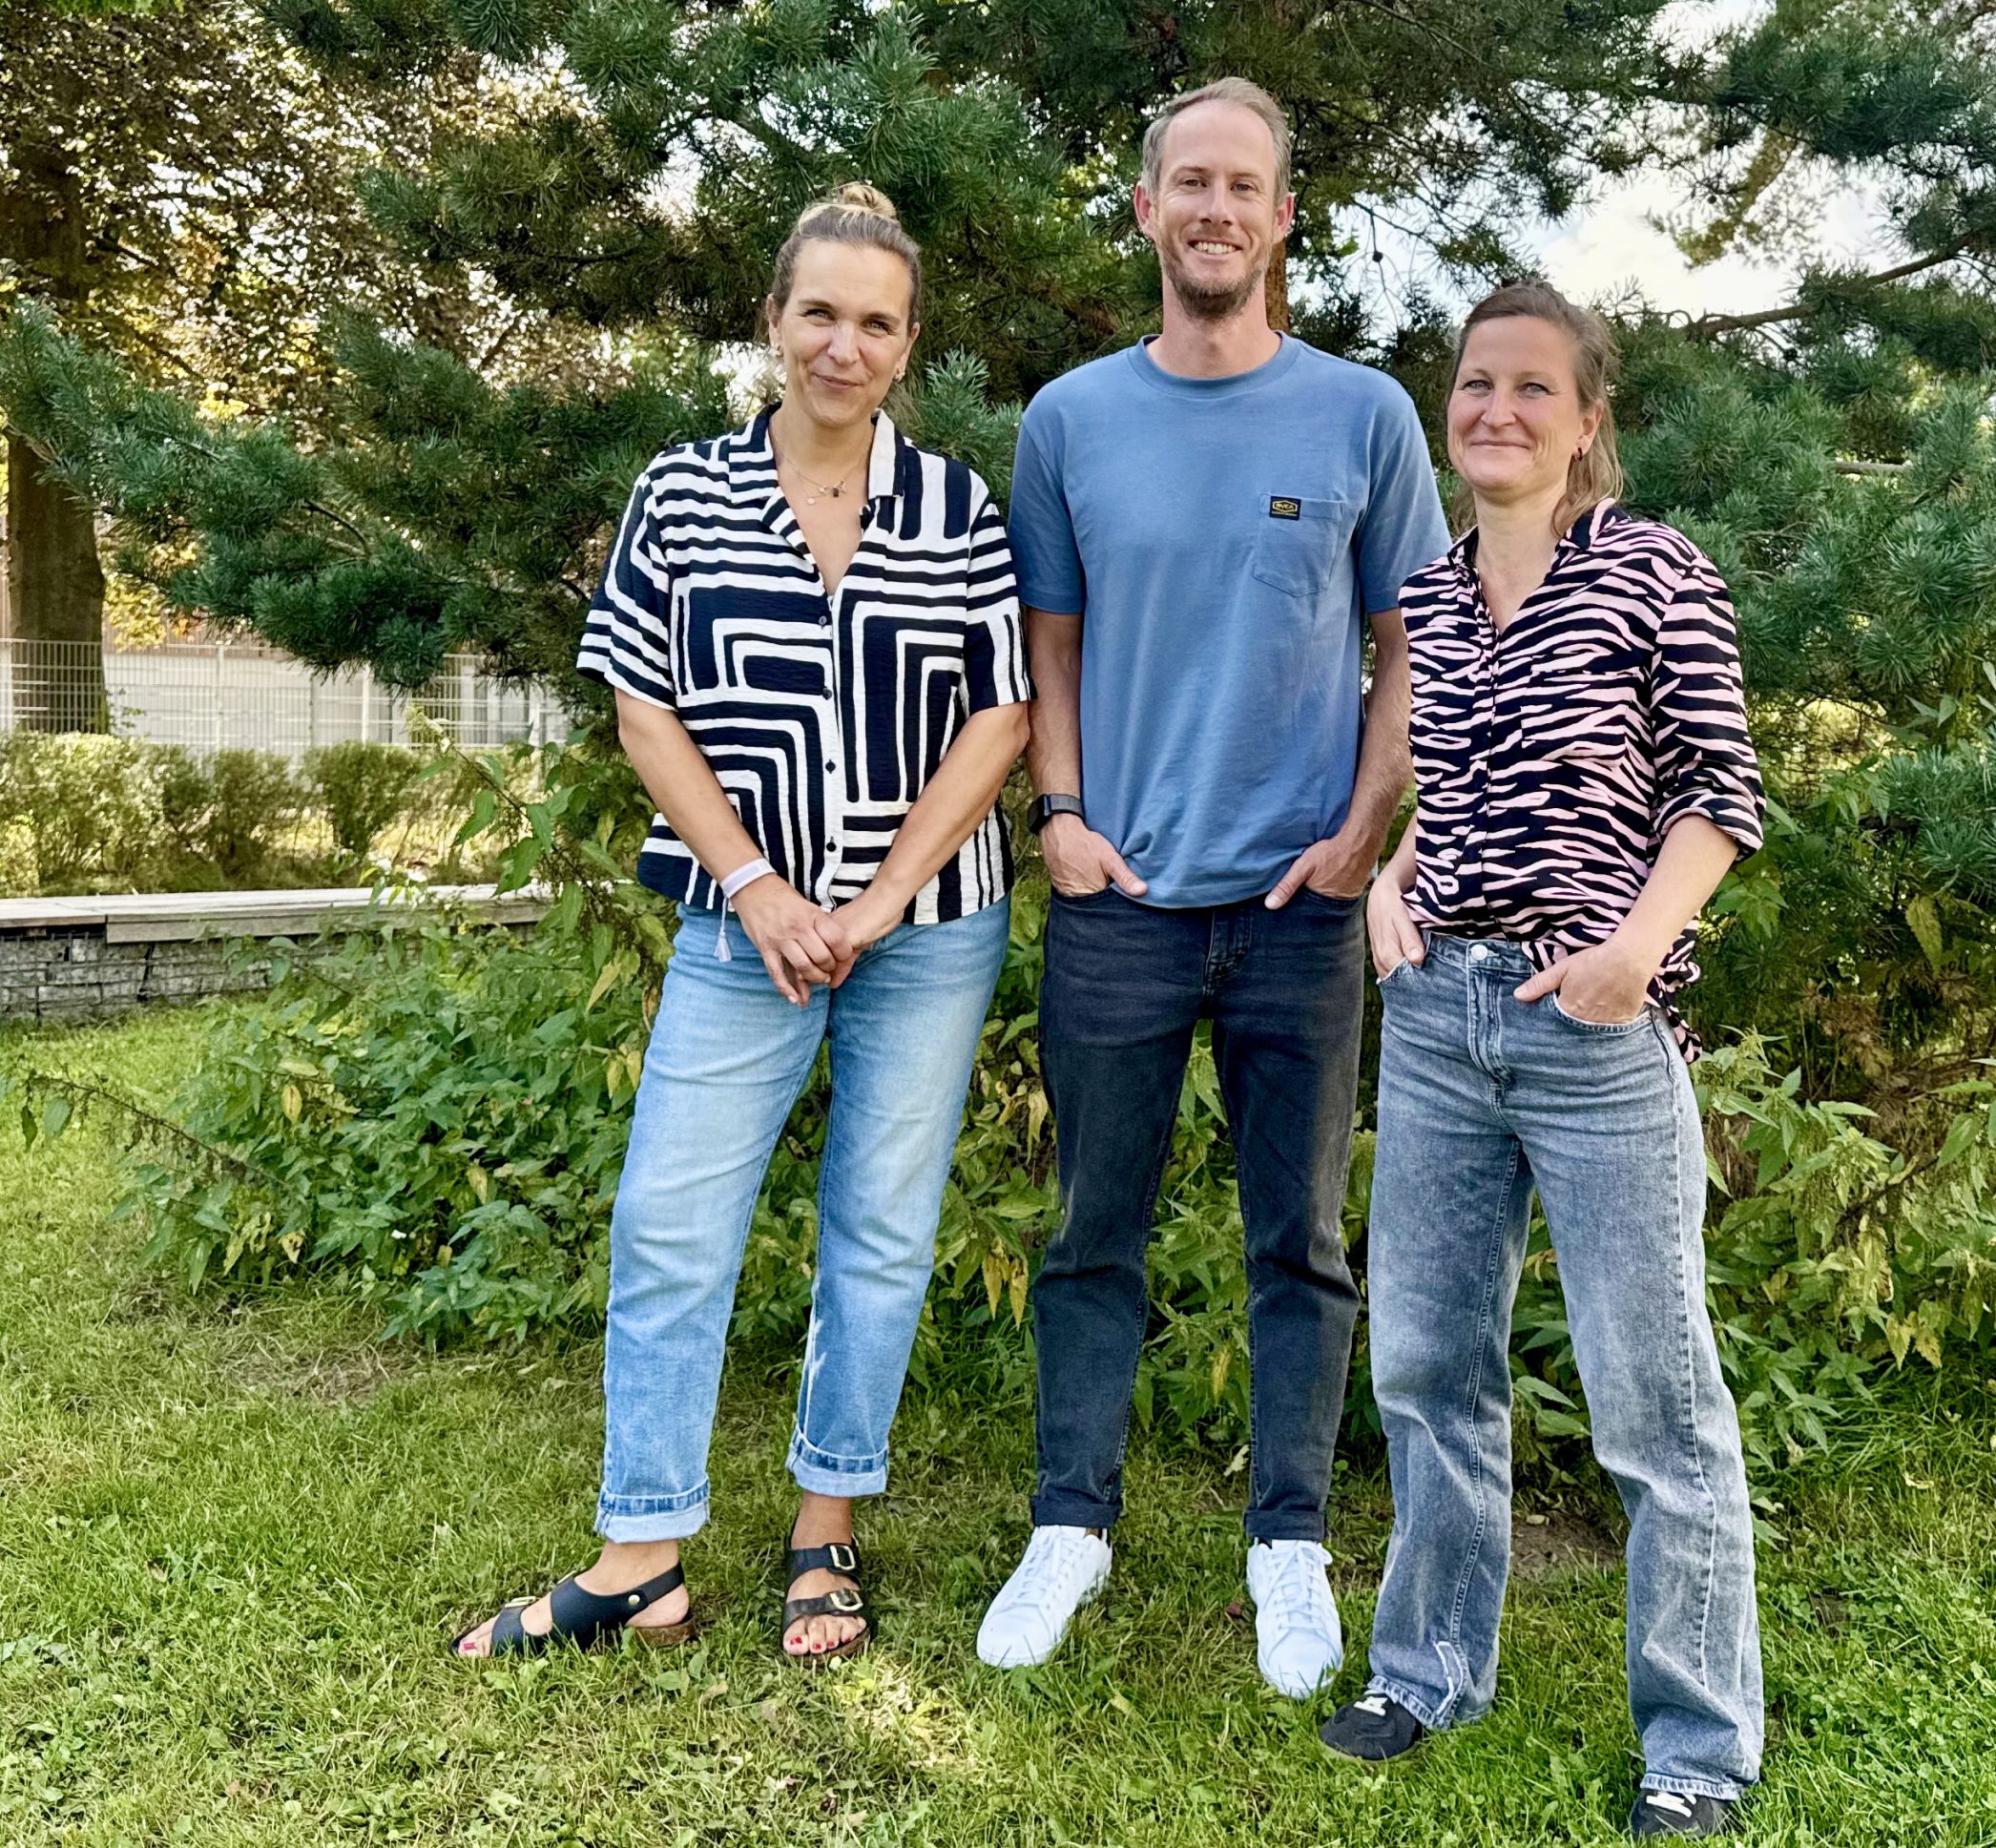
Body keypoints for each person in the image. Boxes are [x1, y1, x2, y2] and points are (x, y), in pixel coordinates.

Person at [451, 184, 1032, 1668]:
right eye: (819, 312)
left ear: (908, 345)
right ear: (774, 320)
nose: (845, 345)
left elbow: (1002, 715)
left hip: (926, 930)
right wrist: (761, 888)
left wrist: (880, 899)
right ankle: (640, 1553)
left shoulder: (957, 506)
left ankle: (825, 1527)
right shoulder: (685, 492)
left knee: (880, 1228)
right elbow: (641, 705)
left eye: (877, 322)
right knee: (669, 1220)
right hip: (739, 927)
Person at [976, 78, 1449, 1696]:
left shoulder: (1364, 416)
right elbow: (1050, 642)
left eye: (1245, 185)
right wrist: (1059, 813)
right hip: (1118, 895)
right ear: (1147, 209)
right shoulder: (1070, 420)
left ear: (1283, 217)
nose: (1217, 208)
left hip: (1299, 909)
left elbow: (1413, 643)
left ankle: (1288, 1544)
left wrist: (1366, 828)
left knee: (1299, 1242)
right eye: (1191, 181)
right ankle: (1070, 1524)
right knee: (1089, 1231)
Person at [1315, 280, 1766, 1838]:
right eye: (1474, 383)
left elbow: (1718, 793)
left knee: (1657, 1401)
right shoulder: (1434, 595)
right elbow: (1453, 784)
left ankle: (1696, 1745)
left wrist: (1637, 949)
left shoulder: (1656, 571)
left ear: (1586, 422)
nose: (1495, 408)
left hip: (1595, 1028)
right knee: (1430, 1365)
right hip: (1441, 1020)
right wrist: (1391, 882)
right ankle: (1428, 1667)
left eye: (1531, 387)